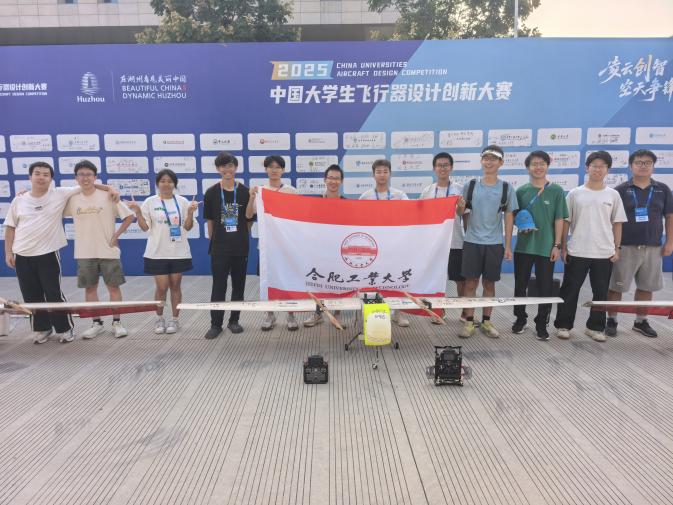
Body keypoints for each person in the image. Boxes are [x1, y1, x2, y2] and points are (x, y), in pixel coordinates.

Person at [3, 161, 117, 344]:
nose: (41, 177)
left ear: (51, 179)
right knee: (31, 295)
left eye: (45, 174)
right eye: (37, 173)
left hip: (48, 253)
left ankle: (65, 329)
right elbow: (10, 227)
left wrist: (110, 188)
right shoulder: (19, 200)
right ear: (30, 177)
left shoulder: (59, 194)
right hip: (22, 255)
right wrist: (8, 252)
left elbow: (87, 183)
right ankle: (42, 328)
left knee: (53, 294)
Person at [554, 151, 627, 342]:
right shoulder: (575, 193)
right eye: (594, 165)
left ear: (607, 170)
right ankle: (563, 325)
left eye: (602, 166)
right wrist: (563, 247)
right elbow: (566, 221)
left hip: (604, 252)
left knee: (600, 293)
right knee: (570, 290)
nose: (598, 169)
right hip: (577, 250)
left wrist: (617, 248)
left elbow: (617, 223)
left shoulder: (613, 195)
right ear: (587, 168)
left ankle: (595, 327)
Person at [606, 149, 673, 338]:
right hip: (625, 247)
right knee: (616, 286)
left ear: (653, 166)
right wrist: (614, 246)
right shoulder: (620, 190)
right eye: (639, 162)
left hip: (653, 247)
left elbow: (670, 217)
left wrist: (670, 242)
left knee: (646, 287)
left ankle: (641, 321)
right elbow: (612, 220)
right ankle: (612, 320)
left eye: (647, 163)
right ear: (631, 166)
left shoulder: (663, 189)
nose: (643, 166)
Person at [64, 160, 134, 339]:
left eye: (89, 174)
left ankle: (117, 322)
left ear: (95, 177)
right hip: (84, 252)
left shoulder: (108, 195)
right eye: (81, 174)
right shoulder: (72, 198)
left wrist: (115, 236)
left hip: (108, 250)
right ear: (76, 178)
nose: (85, 178)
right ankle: (96, 324)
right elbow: (48, 202)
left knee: (113, 288)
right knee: (90, 289)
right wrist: (24, 195)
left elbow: (129, 216)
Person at [127, 169, 199, 335]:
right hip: (156, 252)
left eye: (170, 181)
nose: (166, 184)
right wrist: (138, 212)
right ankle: (159, 318)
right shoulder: (150, 202)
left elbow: (188, 227)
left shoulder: (182, 201)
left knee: (175, 286)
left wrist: (190, 213)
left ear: (174, 184)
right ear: (158, 183)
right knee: (161, 287)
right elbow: (145, 227)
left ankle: (175, 319)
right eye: (163, 181)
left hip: (179, 252)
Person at [459, 145, 518, 338]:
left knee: (489, 284)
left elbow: (509, 218)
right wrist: (459, 207)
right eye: (486, 158)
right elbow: (461, 212)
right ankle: (469, 322)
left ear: (501, 163)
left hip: (494, 244)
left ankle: (486, 321)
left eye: (493, 159)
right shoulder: (471, 186)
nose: (489, 162)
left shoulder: (507, 188)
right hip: (472, 242)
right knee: (470, 284)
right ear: (481, 161)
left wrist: (507, 246)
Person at [511, 151, 568, 341]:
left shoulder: (556, 191)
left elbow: (559, 219)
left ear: (547, 166)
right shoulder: (521, 191)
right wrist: (521, 225)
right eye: (534, 164)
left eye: (542, 163)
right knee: (520, 285)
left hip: (546, 247)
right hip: (524, 247)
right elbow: (515, 217)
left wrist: (557, 245)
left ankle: (542, 323)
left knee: (546, 287)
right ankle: (520, 318)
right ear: (528, 167)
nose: (538, 167)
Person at [199, 152, 251, 338]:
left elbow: (249, 221)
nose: (227, 169)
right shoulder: (211, 192)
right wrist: (215, 241)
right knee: (218, 286)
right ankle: (216, 324)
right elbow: (210, 221)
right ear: (218, 169)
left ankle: (234, 321)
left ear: (236, 167)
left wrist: (240, 236)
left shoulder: (245, 192)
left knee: (238, 286)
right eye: (223, 166)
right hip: (219, 248)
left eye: (230, 165)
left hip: (240, 247)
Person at [246, 155, 298, 331]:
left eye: (277, 167)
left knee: (288, 280)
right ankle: (269, 315)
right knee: (266, 281)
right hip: (266, 246)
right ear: (266, 170)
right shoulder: (260, 191)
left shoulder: (291, 191)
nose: (274, 170)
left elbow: (297, 217)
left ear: (283, 170)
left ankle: (291, 314)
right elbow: (248, 215)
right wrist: (251, 197)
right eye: (271, 167)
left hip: (286, 245)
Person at [359, 159, 410, 327]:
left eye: (385, 171)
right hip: (373, 246)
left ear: (390, 174)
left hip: (394, 245)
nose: (382, 175)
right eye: (378, 172)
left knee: (396, 278)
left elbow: (409, 215)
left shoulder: (400, 195)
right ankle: (373, 312)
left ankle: (398, 313)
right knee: (373, 278)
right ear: (373, 174)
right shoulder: (365, 196)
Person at [418, 152, 468, 322]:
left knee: (460, 279)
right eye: (439, 165)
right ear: (434, 168)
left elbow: (464, 214)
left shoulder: (459, 189)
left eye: (446, 165)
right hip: (434, 244)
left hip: (456, 241)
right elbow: (421, 217)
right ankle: (439, 311)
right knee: (436, 279)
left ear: (451, 167)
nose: (442, 168)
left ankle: (465, 313)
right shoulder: (427, 191)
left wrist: (468, 239)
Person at [303, 164, 347, 328]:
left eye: (337, 178)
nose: (333, 181)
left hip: (339, 251)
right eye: (330, 178)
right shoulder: (316, 203)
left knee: (339, 283)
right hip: (320, 251)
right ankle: (318, 314)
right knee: (319, 283)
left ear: (341, 181)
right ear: (325, 180)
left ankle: (337, 314)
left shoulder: (348, 204)